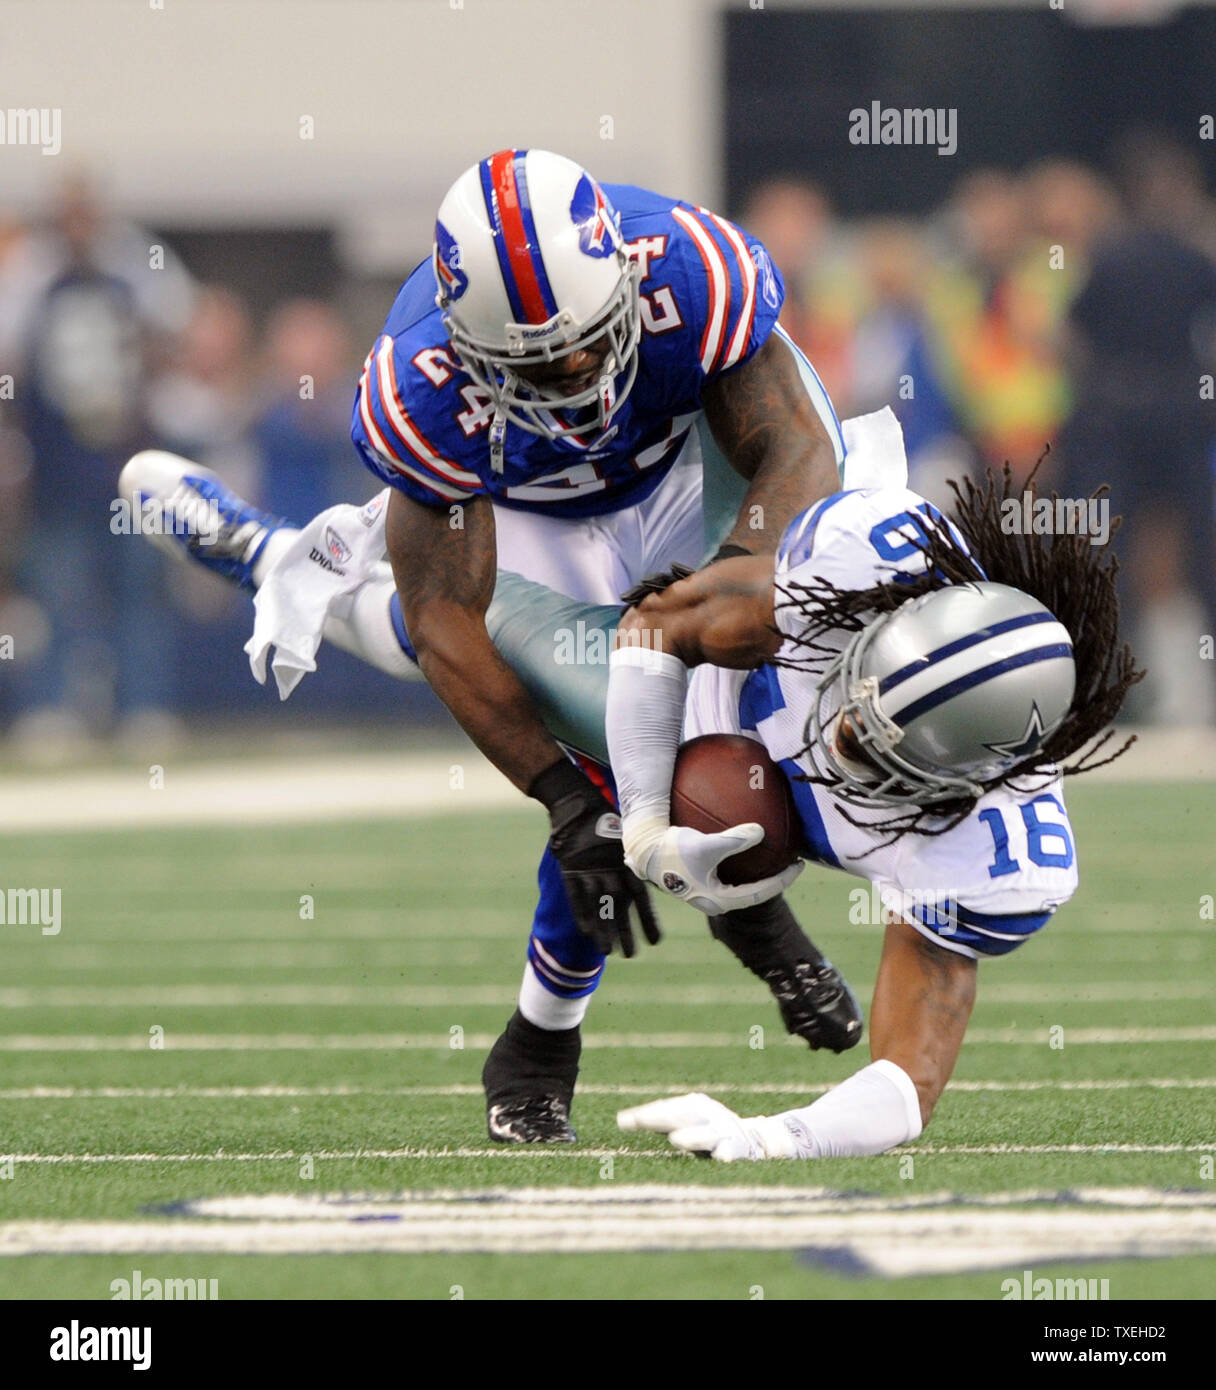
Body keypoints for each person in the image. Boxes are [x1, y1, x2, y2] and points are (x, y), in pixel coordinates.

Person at [120, 146, 856, 1144]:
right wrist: (565, 802)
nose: (576, 375)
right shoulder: (418, 387)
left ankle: (768, 908)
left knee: (809, 622)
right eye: (537, 363)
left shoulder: (690, 269)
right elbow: (446, 627)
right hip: (526, 512)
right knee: (611, 736)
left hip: (698, 470)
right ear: (471, 351)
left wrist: (718, 599)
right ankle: (549, 1032)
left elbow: (799, 446)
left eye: (591, 344)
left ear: (627, 289)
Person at [606, 471, 1140, 1160]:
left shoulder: (991, 846)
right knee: (574, 775)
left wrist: (775, 1137)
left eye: (880, 749)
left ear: (968, 779)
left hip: (773, 778)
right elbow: (653, 626)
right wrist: (644, 824)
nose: (841, 737)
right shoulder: (856, 576)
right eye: (862, 706)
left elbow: (907, 1084)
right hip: (697, 660)